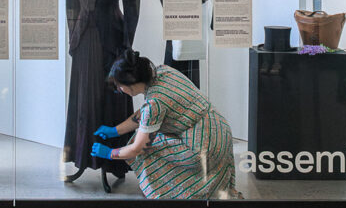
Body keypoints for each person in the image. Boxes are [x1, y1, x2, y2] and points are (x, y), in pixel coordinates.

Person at [90, 50, 242, 200]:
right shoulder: (163, 71)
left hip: (203, 146)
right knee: (147, 137)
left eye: (119, 86)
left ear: (131, 84)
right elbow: (144, 115)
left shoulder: (154, 103)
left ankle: (172, 192)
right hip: (219, 129)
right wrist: (115, 131)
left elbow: (137, 148)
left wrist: (110, 153)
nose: (119, 90)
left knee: (146, 149)